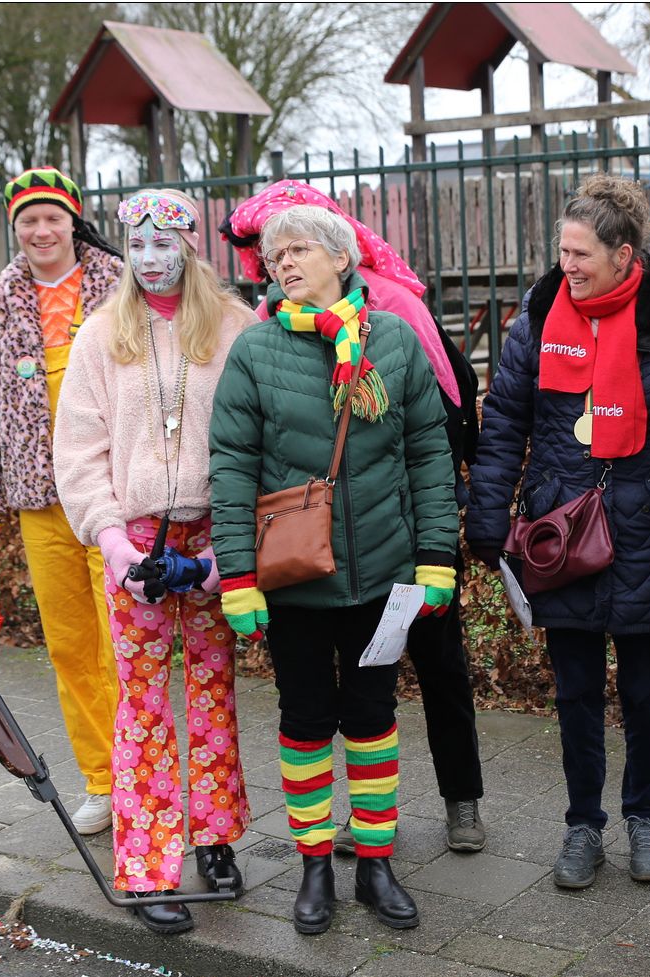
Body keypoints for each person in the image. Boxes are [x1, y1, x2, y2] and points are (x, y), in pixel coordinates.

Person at [466, 175, 650, 892]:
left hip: (646, 530)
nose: (567, 265)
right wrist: (488, 517)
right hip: (559, 532)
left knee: (644, 690)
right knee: (574, 691)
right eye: (563, 251)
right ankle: (583, 824)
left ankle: (645, 819)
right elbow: (503, 424)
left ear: (623, 254)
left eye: (581, 254)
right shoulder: (536, 322)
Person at [209, 205, 459, 934]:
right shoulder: (255, 351)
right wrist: (237, 576)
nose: (283, 264)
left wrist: (436, 558)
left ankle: (376, 865)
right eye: (274, 256)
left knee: (374, 719)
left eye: (299, 250)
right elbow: (231, 468)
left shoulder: (394, 341)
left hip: (383, 575)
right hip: (294, 580)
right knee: (306, 721)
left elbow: (429, 455)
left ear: (342, 259)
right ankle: (315, 865)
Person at [53, 189, 257, 935]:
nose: (149, 258)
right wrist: (113, 544)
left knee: (211, 689)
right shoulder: (100, 334)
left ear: (189, 245)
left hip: (211, 533)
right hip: (133, 539)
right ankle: (145, 863)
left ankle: (216, 837)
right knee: (140, 702)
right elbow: (79, 451)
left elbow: (254, 441)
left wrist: (225, 554)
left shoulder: (234, 327)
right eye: (136, 244)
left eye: (163, 242)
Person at [0, 166, 124, 836]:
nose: (41, 230)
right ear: (14, 228)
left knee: (123, 642)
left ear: (73, 221)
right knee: (71, 648)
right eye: (28, 219)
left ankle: (143, 772)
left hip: (113, 497)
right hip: (40, 502)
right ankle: (103, 781)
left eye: (53, 216)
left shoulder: (122, 288)